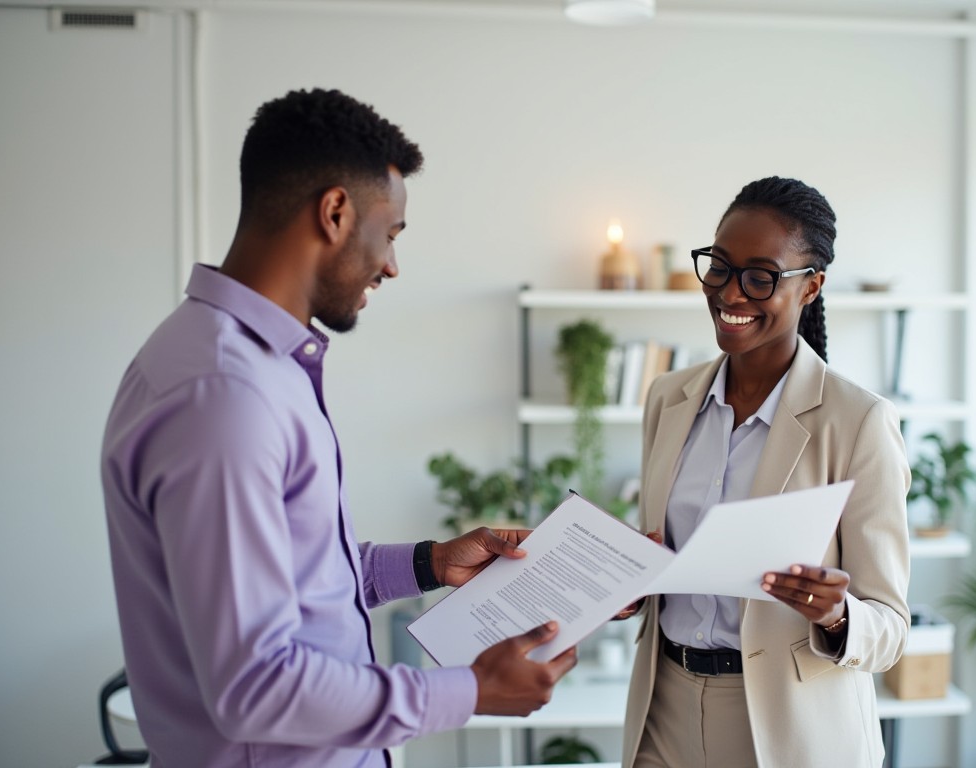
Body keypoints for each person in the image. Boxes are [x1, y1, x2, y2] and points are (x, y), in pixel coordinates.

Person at [100, 88, 577, 767]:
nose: (391, 265)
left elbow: (295, 577)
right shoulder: (226, 395)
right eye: (391, 234)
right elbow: (255, 687)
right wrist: (467, 691)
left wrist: (429, 563)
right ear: (334, 212)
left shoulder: (243, 364)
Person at [618, 177, 912, 768]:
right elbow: (662, 563)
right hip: (664, 707)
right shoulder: (668, 397)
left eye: (760, 276)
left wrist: (836, 613)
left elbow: (891, 628)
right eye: (719, 267)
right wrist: (627, 577)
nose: (731, 292)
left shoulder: (858, 421)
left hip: (786, 728)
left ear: (811, 287)